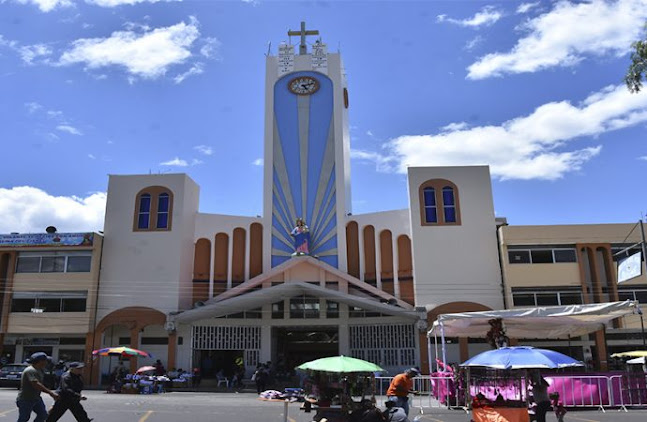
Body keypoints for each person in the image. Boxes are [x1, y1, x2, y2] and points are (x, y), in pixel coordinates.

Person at [16, 352, 59, 422]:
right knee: (24, 418)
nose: (47, 363)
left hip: (36, 398)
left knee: (43, 415)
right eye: (45, 361)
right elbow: (36, 384)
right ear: (40, 361)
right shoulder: (30, 370)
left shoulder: (40, 370)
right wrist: (51, 393)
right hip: (26, 399)